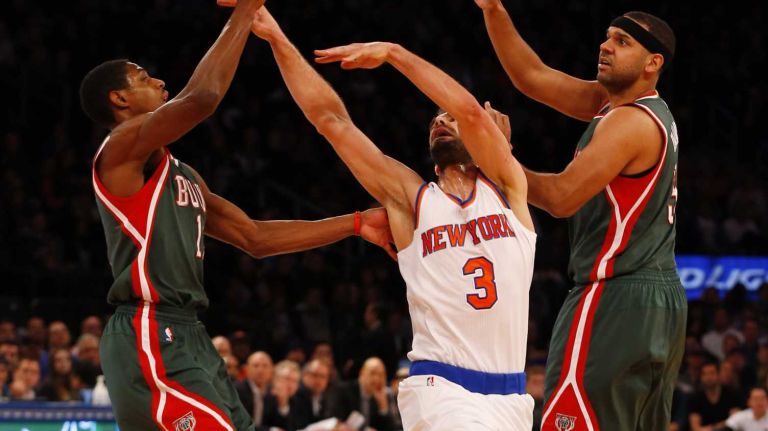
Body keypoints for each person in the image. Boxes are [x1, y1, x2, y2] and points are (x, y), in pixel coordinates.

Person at [78, 0, 394, 429]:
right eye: (142, 78)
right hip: (147, 331)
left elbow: (254, 237)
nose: (159, 80)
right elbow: (202, 98)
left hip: (190, 334)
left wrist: (356, 224)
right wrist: (246, 10)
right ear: (119, 99)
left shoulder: (182, 174)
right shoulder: (118, 152)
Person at [235, 6, 536, 429]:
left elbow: (469, 111)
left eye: (449, 117)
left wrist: (395, 53)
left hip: (511, 397)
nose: (441, 121)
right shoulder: (412, 200)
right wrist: (277, 39)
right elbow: (331, 121)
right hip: (442, 388)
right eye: (435, 120)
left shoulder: (507, 188)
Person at [475, 2, 686, 429]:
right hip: (656, 298)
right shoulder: (620, 106)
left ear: (653, 62)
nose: (605, 46)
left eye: (621, 42)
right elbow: (530, 77)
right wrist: (493, 8)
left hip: (614, 293)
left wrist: (494, 159)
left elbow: (561, 196)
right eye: (607, 37)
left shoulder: (630, 122)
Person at [688, 361, 742, 431]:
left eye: (712, 373)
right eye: (705, 374)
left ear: (719, 374)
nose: (708, 377)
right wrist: (719, 426)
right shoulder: (695, 399)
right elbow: (695, 428)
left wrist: (713, 428)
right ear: (701, 377)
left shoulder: (732, 395)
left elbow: (735, 421)